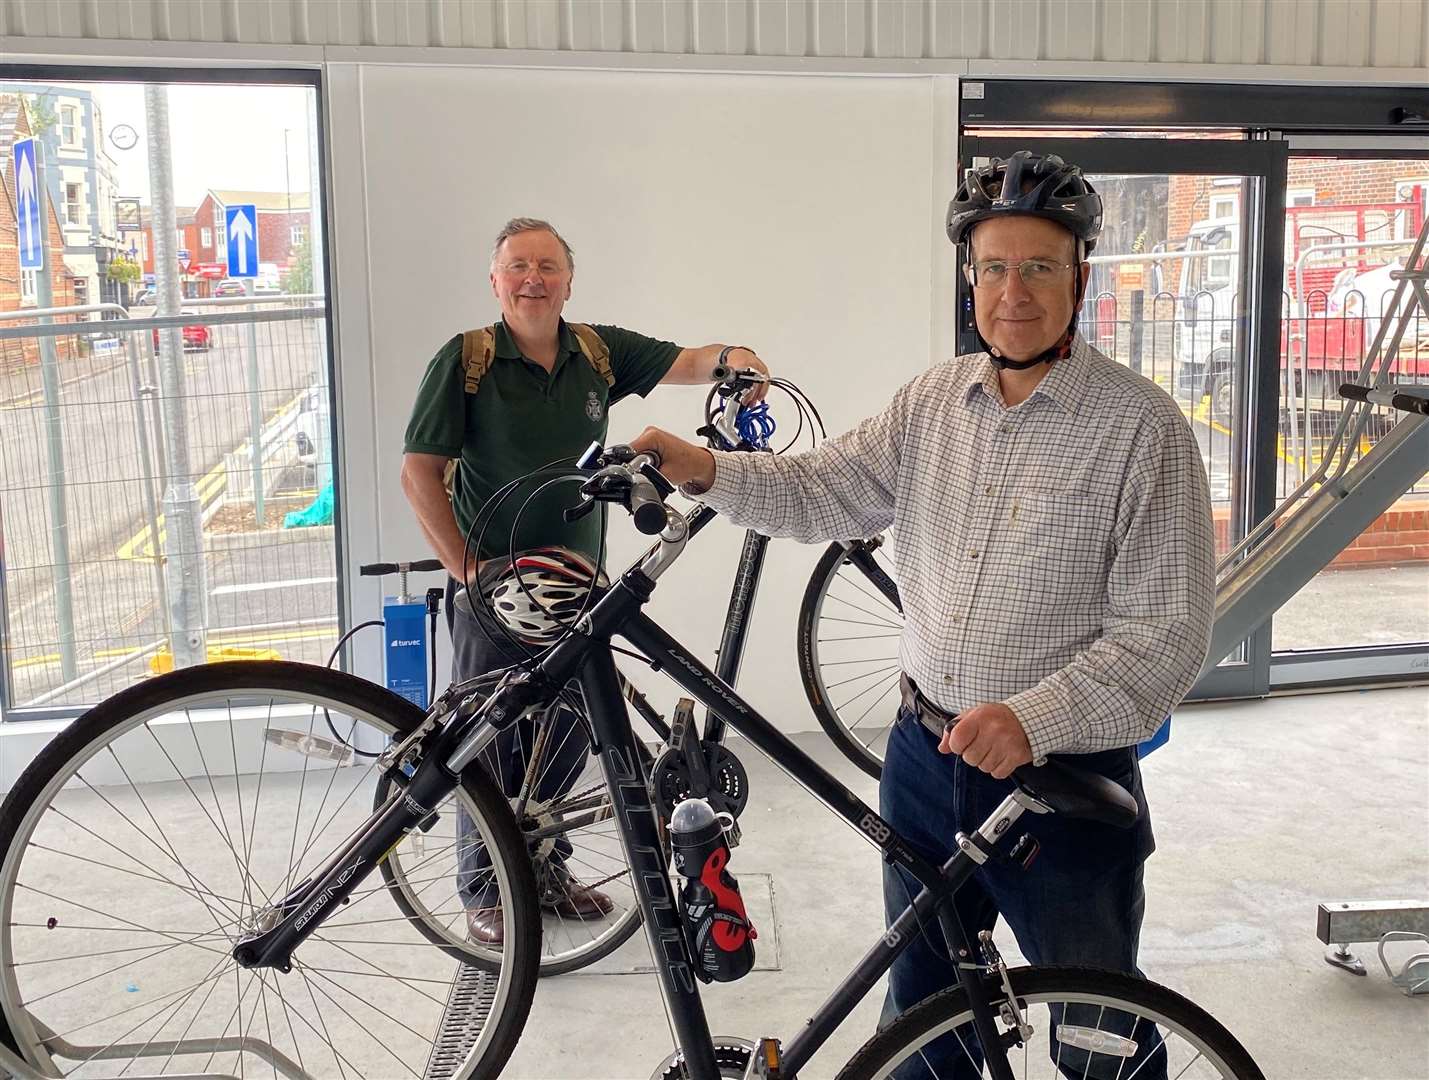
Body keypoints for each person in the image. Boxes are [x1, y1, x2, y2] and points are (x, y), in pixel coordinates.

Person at [629, 152, 1215, 1077]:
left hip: (1057, 786)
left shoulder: (1142, 431)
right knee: (924, 1012)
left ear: (1079, 278)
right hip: (921, 761)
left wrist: (1031, 720)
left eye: (1037, 268)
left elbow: (1165, 637)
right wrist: (704, 469)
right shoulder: (934, 401)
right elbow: (825, 491)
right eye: (992, 268)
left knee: (1095, 1023)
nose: (1011, 292)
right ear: (968, 278)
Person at [401, 217, 769, 945]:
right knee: (492, 743)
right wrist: (467, 571)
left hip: (577, 585)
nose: (531, 278)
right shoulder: (465, 360)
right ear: (495, 280)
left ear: (568, 281)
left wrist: (739, 359)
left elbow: (688, 361)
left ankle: (545, 869)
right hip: (498, 593)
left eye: (545, 266)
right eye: (517, 267)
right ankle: (485, 888)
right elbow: (419, 474)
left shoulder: (595, 353)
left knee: (569, 734)